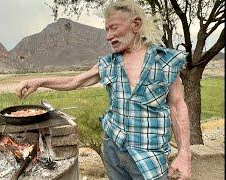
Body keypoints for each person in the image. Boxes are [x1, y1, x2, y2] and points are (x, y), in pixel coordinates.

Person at [15, 0, 191, 179]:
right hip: (113, 149)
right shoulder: (108, 63)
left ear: (135, 25)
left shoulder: (166, 61)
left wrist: (184, 154)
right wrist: (39, 81)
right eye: (107, 30)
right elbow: (74, 82)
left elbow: (177, 107)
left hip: (149, 156)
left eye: (113, 28)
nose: (108, 36)